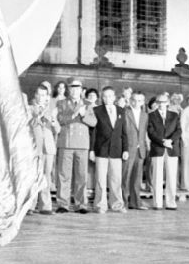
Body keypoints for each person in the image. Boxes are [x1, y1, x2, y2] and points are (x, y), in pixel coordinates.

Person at [55, 79, 96, 213]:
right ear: (69, 89)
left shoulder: (88, 104)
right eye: (72, 88)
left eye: (77, 88)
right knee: (63, 175)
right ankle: (63, 204)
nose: (74, 90)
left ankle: (81, 204)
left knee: (81, 175)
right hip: (66, 143)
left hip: (82, 144)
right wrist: (74, 115)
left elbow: (94, 122)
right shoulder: (61, 103)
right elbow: (60, 120)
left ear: (81, 90)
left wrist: (83, 115)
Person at [91, 86, 129, 213]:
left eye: (110, 96)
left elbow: (124, 132)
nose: (108, 98)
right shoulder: (96, 110)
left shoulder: (121, 111)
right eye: (105, 96)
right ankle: (100, 205)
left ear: (114, 97)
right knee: (100, 180)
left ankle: (117, 204)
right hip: (101, 149)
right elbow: (94, 132)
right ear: (102, 97)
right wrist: (92, 150)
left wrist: (126, 149)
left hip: (117, 150)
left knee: (116, 179)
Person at [29, 83, 59, 214]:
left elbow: (58, 129)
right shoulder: (29, 108)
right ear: (35, 95)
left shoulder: (51, 109)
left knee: (47, 176)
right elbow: (28, 124)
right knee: (33, 176)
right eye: (39, 94)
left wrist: (53, 121)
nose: (41, 97)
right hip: (34, 147)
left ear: (47, 96)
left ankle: (45, 206)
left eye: (44, 95)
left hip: (48, 147)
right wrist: (39, 116)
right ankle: (30, 205)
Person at [122, 90, 149, 210]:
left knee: (137, 179)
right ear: (130, 100)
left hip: (140, 150)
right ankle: (122, 202)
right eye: (134, 100)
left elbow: (144, 133)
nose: (136, 102)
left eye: (139, 100)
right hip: (128, 149)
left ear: (143, 102)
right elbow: (122, 132)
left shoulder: (145, 115)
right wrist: (124, 149)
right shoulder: (124, 113)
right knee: (125, 177)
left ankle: (135, 202)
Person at [147, 93, 171, 210]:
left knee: (171, 177)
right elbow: (151, 133)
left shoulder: (175, 115)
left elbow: (179, 130)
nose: (161, 104)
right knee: (157, 177)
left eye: (164, 102)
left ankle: (171, 202)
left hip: (171, 148)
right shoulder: (151, 115)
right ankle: (157, 203)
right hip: (158, 148)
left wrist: (170, 141)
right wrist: (162, 142)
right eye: (159, 102)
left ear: (168, 103)